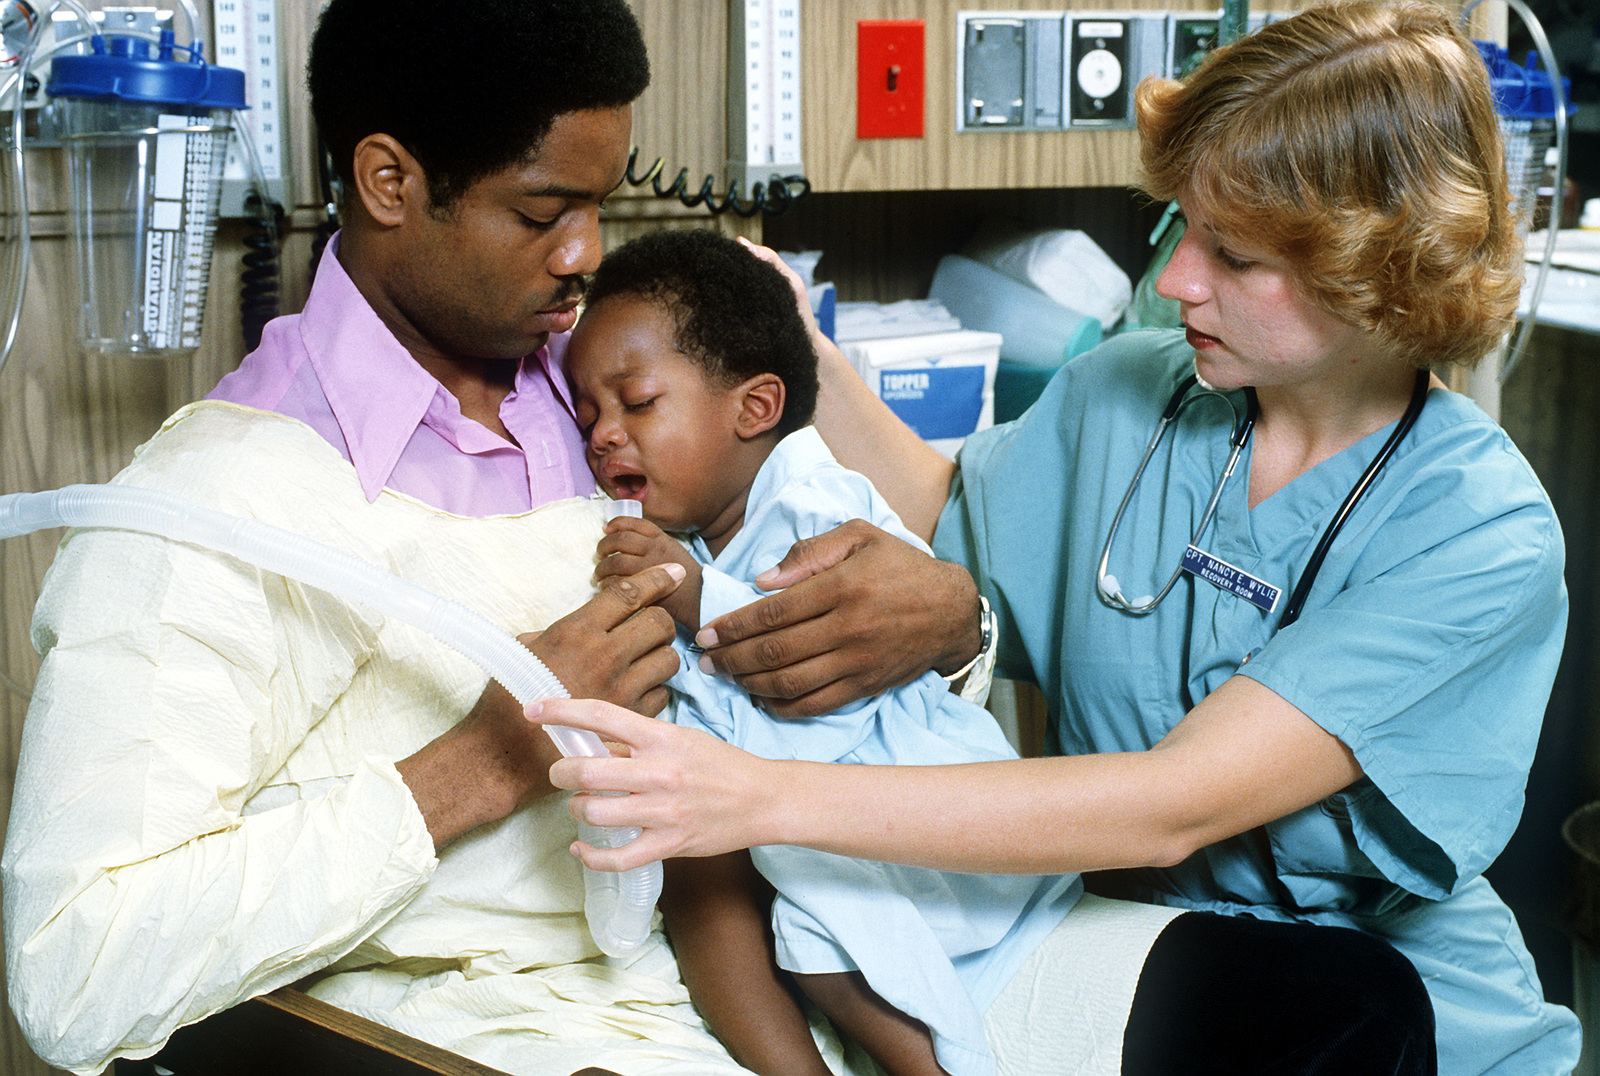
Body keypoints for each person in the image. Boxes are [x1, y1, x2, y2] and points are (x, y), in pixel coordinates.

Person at [533, 2, 1583, 1072]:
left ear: (1377, 269)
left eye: (1233, 254)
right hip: (1120, 964)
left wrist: (753, 795)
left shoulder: (1474, 532)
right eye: (1181, 227)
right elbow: (958, 513)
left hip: (1394, 1014)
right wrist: (800, 344)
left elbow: (1173, 805)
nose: (1174, 280)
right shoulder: (1133, 390)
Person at [0, 2, 842, 1074]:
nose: (586, 253)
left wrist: (953, 626)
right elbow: (77, 969)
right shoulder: (215, 508)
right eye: (543, 211)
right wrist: (483, 762)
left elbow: (810, 547)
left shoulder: (620, 396)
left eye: (599, 204)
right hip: (444, 1039)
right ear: (390, 181)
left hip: (718, 989)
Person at [566, 228, 1087, 1076]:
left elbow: (804, 659)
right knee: (786, 920)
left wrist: (695, 594)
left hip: (917, 806)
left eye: (637, 403)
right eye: (587, 414)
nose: (603, 435)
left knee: (819, 936)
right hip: (820, 811)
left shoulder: (819, 502)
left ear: (756, 408)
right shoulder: (704, 534)